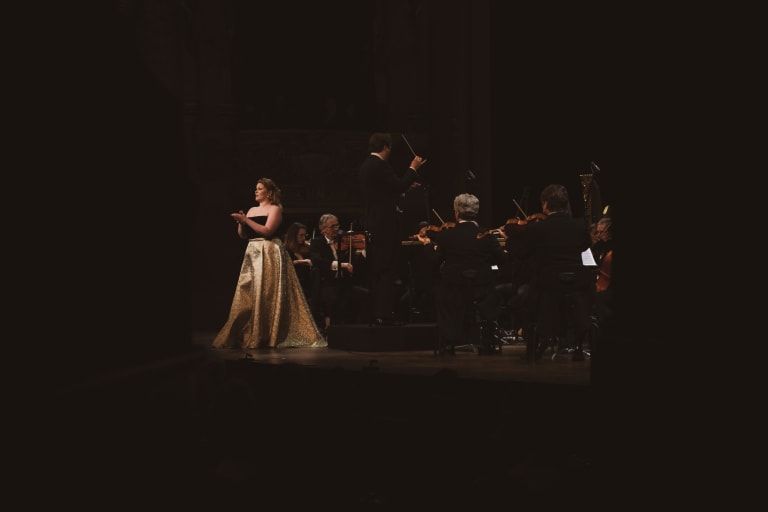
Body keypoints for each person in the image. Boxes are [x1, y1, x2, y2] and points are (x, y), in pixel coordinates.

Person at [212, 178, 326, 349]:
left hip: (269, 251)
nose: (256, 191)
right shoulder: (251, 210)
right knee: (249, 292)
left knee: (268, 292)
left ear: (269, 193)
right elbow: (244, 236)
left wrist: (246, 221)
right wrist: (241, 224)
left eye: (259, 189)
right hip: (253, 252)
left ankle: (269, 333)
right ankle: (249, 330)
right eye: (255, 189)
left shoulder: (275, 209)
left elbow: (267, 231)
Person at [509, 184, 593, 361]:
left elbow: (521, 253)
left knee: (518, 300)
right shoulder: (580, 225)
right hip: (577, 284)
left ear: (545, 204)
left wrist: (510, 240)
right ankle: (577, 345)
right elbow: (585, 246)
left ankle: (532, 346)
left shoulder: (537, 228)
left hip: (547, 286)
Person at [416, 193, 508, 355]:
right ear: (476, 212)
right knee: (492, 292)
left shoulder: (446, 235)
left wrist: (427, 245)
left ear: (456, 213)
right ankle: (487, 342)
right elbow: (502, 261)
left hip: (454, 287)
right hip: (482, 289)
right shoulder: (486, 235)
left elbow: (435, 262)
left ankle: (448, 343)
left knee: (443, 295)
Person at [358, 132, 427, 326]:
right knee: (388, 269)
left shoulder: (365, 166)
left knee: (378, 270)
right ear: (386, 147)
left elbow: (384, 192)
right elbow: (397, 186)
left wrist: (404, 188)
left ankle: (376, 313)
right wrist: (413, 169)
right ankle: (384, 315)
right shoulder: (381, 165)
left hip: (373, 222)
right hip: (385, 226)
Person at [309, 213, 356, 334]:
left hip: (344, 282)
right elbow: (318, 261)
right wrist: (340, 265)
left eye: (337, 225)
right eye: (333, 226)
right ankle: (332, 330)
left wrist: (361, 250)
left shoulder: (343, 241)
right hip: (326, 283)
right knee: (332, 297)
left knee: (362, 295)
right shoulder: (317, 243)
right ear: (323, 229)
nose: (337, 229)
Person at [284, 221, 315, 302]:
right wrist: (301, 262)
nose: (304, 238)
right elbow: (285, 263)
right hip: (292, 283)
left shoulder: (307, 248)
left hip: (307, 283)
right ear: (293, 236)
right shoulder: (286, 249)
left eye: (305, 235)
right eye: (301, 235)